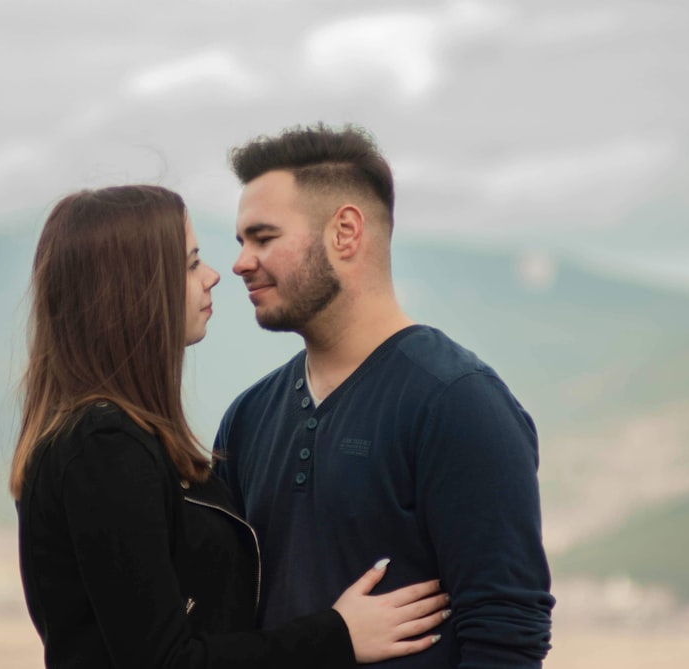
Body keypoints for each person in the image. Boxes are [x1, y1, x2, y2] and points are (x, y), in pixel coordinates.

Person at [9, 185, 451, 668]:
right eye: (191, 262)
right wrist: (337, 635)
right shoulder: (104, 448)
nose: (216, 275)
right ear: (133, 288)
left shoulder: (112, 440)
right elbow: (164, 662)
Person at [214, 125, 555, 668]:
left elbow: (507, 634)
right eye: (241, 242)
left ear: (345, 232)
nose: (240, 263)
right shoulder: (248, 418)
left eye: (263, 238)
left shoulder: (458, 403)